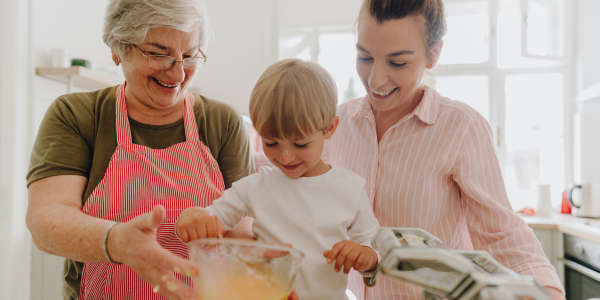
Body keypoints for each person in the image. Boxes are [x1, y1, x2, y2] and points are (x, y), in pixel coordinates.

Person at [255, 0, 566, 299]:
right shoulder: (336, 124)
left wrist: (545, 293)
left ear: (433, 54)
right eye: (364, 57)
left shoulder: (461, 128)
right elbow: (285, 178)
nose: (375, 79)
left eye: (397, 62)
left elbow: (504, 236)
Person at [25, 0, 276, 299]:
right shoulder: (78, 114)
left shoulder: (223, 122)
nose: (179, 74)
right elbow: (47, 219)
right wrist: (116, 241)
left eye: (189, 55)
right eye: (159, 54)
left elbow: (239, 230)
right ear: (118, 49)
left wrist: (270, 270)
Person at [176, 58, 381, 300]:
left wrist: (367, 256)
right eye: (271, 143)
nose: (285, 156)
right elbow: (212, 218)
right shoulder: (256, 185)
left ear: (329, 128)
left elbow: (374, 244)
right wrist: (192, 220)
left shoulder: (350, 187)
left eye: (300, 143)